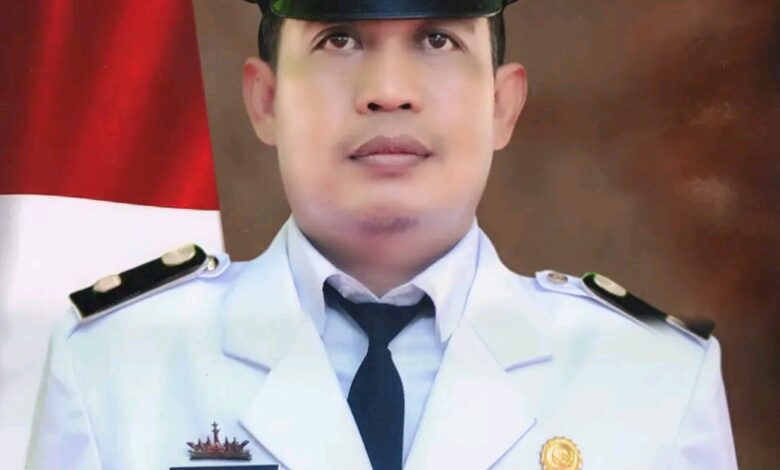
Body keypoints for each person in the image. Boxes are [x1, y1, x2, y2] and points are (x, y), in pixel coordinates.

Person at [26, 0, 738, 469]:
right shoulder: (114, 366)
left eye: (437, 38)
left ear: (502, 104)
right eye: (338, 38)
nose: (389, 90)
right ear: (265, 101)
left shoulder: (654, 379)